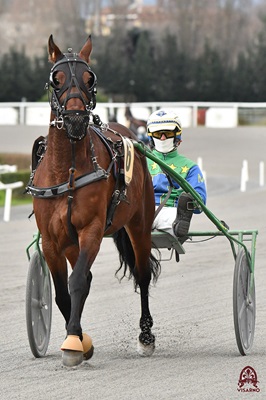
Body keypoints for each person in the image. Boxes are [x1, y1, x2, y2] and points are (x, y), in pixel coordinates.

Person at [146, 109, 207, 240]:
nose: (162, 138)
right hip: (142, 210)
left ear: (176, 135)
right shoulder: (139, 161)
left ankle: (178, 223)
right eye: (158, 134)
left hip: (171, 211)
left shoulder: (190, 167)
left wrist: (190, 200)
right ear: (151, 136)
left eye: (167, 133)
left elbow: (200, 205)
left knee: (175, 218)